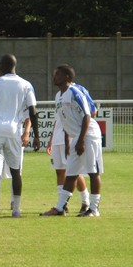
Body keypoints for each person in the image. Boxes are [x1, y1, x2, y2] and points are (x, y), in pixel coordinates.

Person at [0, 54, 40, 218]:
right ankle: (16, 210)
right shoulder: (26, 85)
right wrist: (36, 136)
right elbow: (33, 111)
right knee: (15, 171)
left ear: (3, 66)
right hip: (14, 131)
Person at [41, 64, 103, 217]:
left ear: (67, 77)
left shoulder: (75, 92)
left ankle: (94, 209)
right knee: (71, 173)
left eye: (58, 74)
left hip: (89, 135)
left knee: (93, 171)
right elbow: (65, 121)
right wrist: (69, 141)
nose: (54, 77)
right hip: (76, 137)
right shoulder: (58, 96)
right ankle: (60, 208)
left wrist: (81, 140)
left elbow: (87, 116)